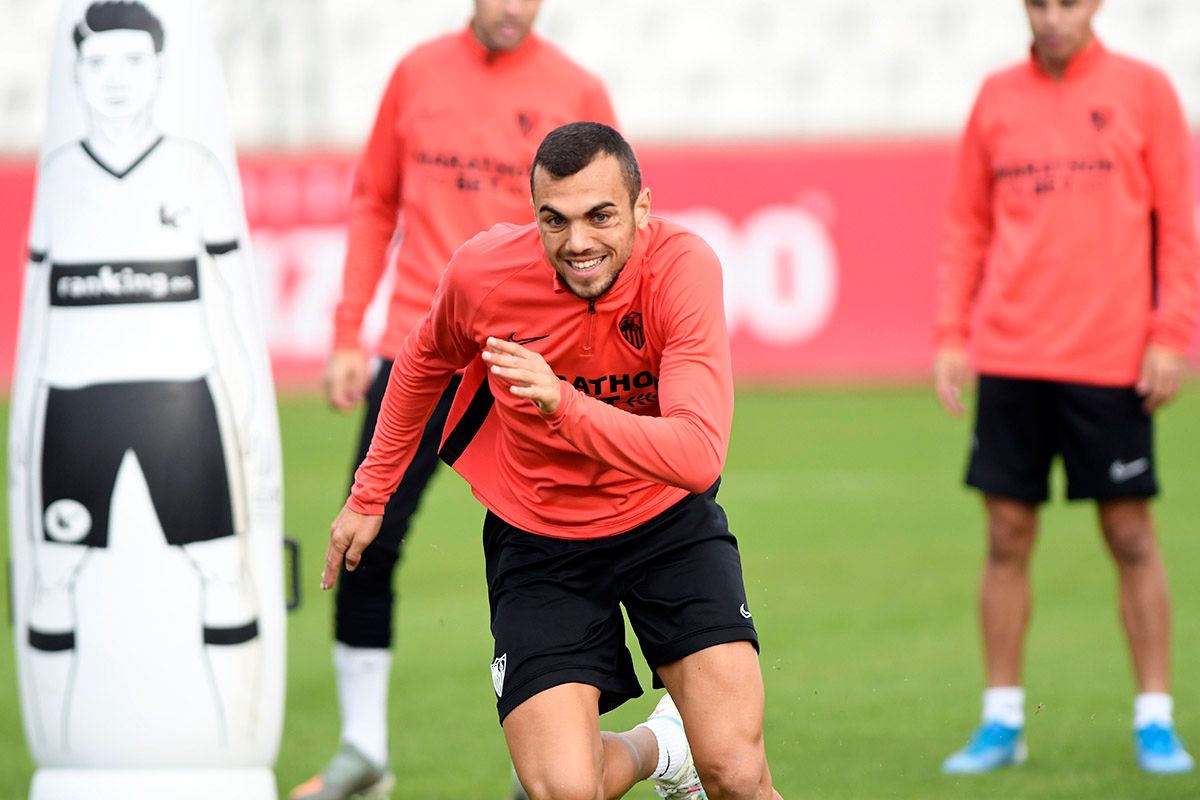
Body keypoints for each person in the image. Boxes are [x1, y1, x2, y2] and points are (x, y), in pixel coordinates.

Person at [321, 122, 783, 800]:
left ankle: (677, 749)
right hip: (539, 541)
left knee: (738, 774)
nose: (578, 243)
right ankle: (659, 747)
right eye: (554, 220)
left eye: (600, 216)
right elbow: (421, 361)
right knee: (566, 792)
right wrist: (370, 494)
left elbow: (696, 454)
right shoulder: (484, 274)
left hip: (666, 526)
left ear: (641, 210)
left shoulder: (684, 268)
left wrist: (562, 405)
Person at [293, 3, 616, 798]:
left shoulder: (576, 88)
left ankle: (549, 754)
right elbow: (373, 201)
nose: (512, 6)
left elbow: (615, 232)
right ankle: (363, 751)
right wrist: (346, 332)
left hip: (527, 362)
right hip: (419, 351)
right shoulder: (416, 74)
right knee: (366, 538)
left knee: (554, 553)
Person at [934, 0, 1199, 776]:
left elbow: (1178, 224)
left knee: (1130, 537)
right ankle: (1002, 719)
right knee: (1006, 537)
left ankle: (1155, 717)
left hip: (1110, 360)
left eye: (1068, 2)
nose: (1052, 16)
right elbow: (966, 226)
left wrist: (1170, 334)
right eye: (1039, 2)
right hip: (1014, 357)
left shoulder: (1145, 91)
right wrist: (953, 334)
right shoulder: (995, 97)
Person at [17, 0, 265, 752]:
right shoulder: (59, 178)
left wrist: (248, 406)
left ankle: (231, 750)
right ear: (79, 72)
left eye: (133, 60)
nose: (116, 79)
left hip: (180, 403)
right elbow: (33, 311)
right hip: (75, 409)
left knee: (222, 572)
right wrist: (26, 432)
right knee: (55, 580)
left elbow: (230, 300)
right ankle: (65, 752)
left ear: (159, 68)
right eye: (99, 62)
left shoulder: (192, 170)